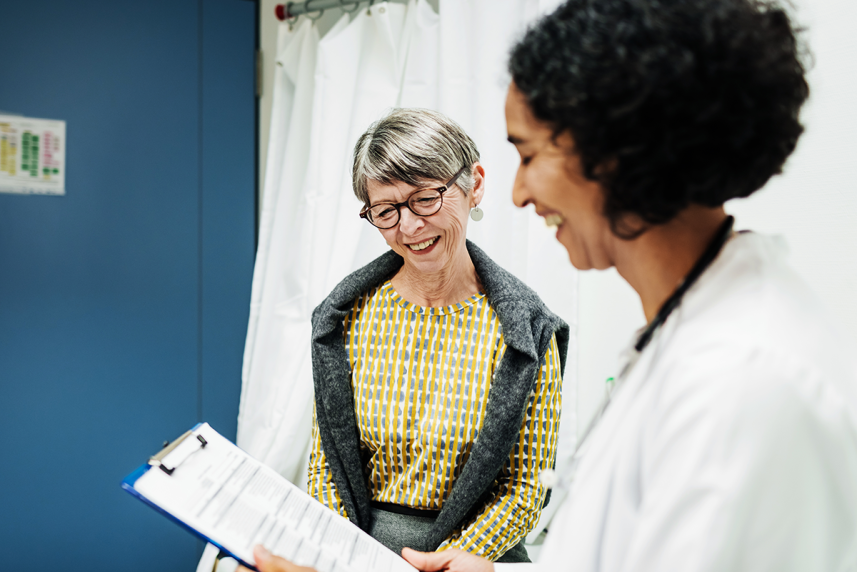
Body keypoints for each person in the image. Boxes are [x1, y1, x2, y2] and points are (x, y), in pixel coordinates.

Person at [243, 0, 857, 571]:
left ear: (618, 154)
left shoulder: (745, 375)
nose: (519, 193)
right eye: (386, 210)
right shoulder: (690, 336)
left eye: (531, 154)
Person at [306, 108, 567, 563]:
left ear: (474, 185)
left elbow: (525, 489)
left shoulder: (527, 330)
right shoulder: (344, 318)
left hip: (476, 559)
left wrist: (448, 561)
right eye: (386, 211)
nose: (409, 227)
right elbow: (327, 469)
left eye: (425, 198)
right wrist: (345, 558)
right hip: (362, 557)